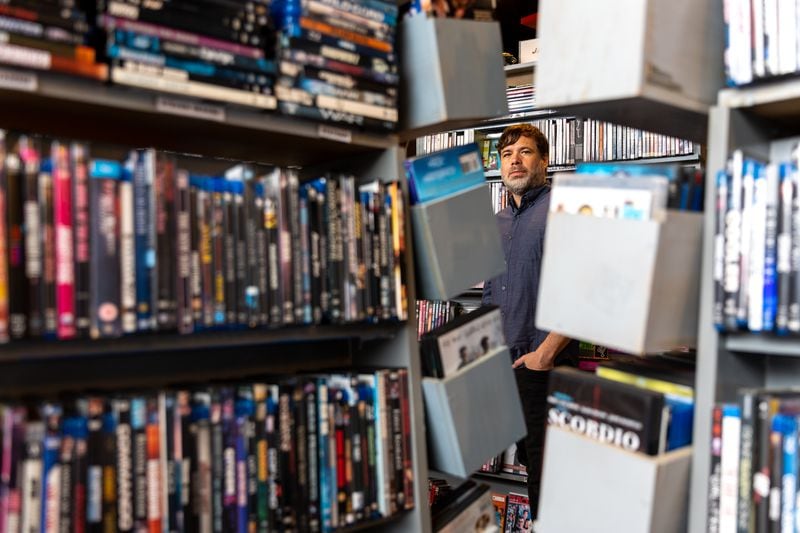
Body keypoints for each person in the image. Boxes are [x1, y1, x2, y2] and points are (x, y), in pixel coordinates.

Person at [482, 123, 578, 518]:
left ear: (544, 160)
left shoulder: (564, 211)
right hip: (507, 366)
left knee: (550, 476)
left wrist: (546, 352)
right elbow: (490, 295)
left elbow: (584, 291)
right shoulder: (498, 222)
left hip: (545, 366)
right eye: (507, 155)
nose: (514, 161)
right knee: (527, 464)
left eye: (524, 152)